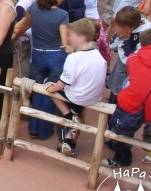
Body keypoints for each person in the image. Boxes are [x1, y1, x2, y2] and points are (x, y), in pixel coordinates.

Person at [102, 30, 151, 168]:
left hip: (130, 107)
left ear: (141, 44)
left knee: (129, 83)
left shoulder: (133, 58)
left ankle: (122, 158)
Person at [15, 0, 71, 139]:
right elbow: (64, 42)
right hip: (56, 57)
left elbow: (24, 26)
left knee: (36, 89)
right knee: (50, 92)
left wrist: (15, 37)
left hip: (38, 54)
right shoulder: (62, 15)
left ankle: (33, 128)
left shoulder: (34, 8)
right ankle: (44, 130)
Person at [45, 19, 107, 157]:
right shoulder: (97, 54)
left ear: (81, 37)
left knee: (50, 88)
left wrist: (51, 88)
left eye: (71, 35)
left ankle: (70, 116)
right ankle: (69, 141)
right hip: (94, 96)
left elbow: (62, 84)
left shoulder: (74, 58)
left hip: (78, 96)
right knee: (74, 102)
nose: (68, 38)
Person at [12, 0, 36, 79]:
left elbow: (16, 22)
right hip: (27, 34)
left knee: (22, 60)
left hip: (21, 36)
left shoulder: (21, 5)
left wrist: (14, 35)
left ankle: (22, 79)